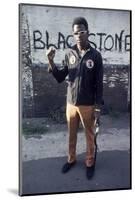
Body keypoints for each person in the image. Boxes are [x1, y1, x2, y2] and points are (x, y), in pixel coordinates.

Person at [46, 17, 103, 179]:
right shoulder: (69, 53)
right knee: (71, 134)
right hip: (71, 103)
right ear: (73, 35)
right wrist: (50, 60)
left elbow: (99, 84)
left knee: (89, 135)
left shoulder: (96, 56)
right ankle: (71, 160)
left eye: (82, 32)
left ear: (88, 33)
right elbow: (59, 76)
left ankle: (90, 162)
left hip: (88, 105)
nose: (78, 35)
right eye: (75, 33)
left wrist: (98, 107)